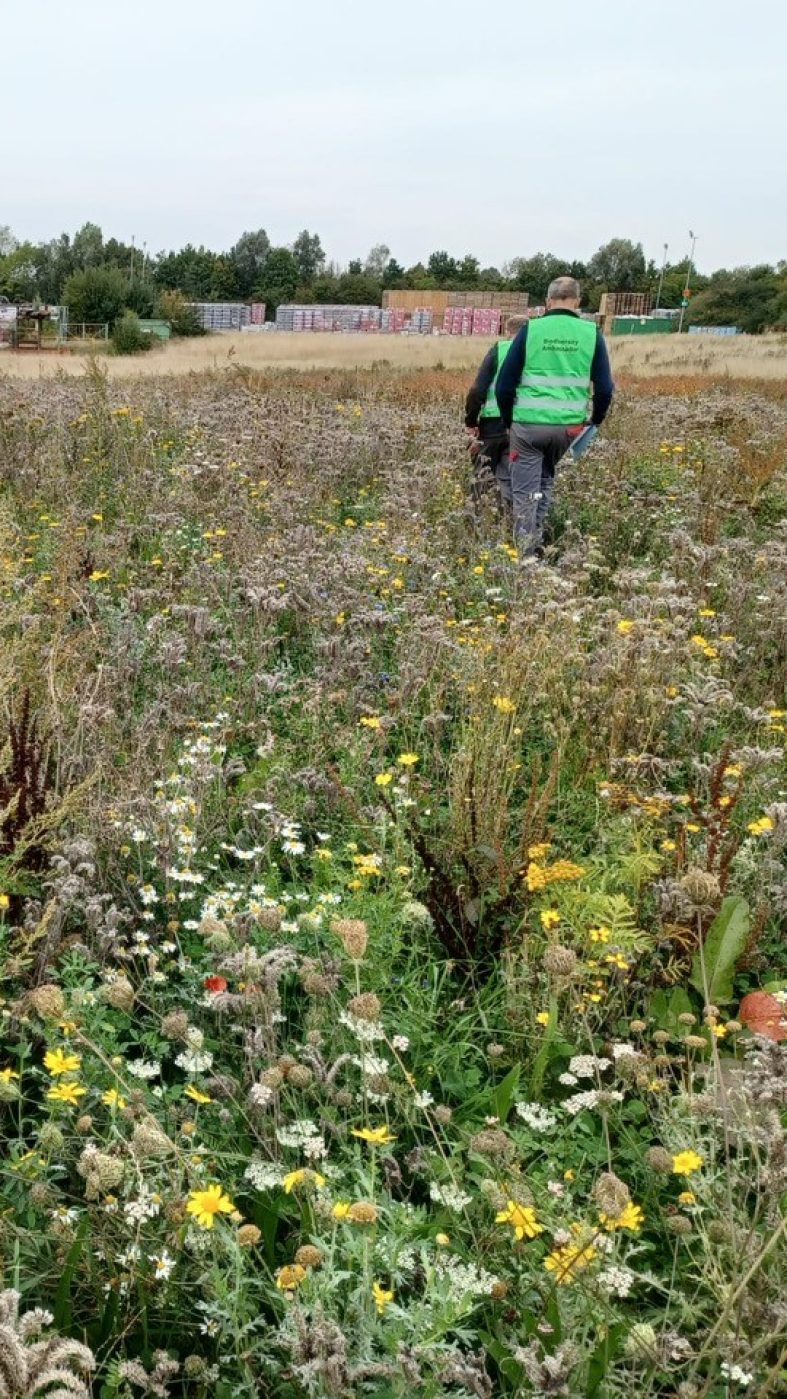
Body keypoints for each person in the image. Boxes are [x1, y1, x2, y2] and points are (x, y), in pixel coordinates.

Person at [495, 277, 614, 557]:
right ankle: (538, 545)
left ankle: (526, 557)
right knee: (545, 480)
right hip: (568, 428)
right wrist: (595, 421)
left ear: (548, 301)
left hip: (528, 426)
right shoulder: (592, 333)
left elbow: (504, 385)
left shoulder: (531, 330)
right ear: (578, 301)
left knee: (525, 494)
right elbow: (605, 388)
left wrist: (508, 420)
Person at [464, 315, 528, 511]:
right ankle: (509, 517)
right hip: (523, 424)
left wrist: (471, 421)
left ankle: (476, 516)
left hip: (492, 424)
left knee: (481, 475)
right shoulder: (535, 352)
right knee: (513, 478)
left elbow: (477, 390)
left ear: (508, 331)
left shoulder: (500, 349)